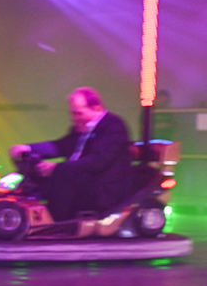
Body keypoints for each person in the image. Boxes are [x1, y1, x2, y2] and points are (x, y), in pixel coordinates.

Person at [9, 87, 131, 221]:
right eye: (73, 114)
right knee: (36, 174)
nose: (74, 118)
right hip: (80, 180)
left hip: (102, 187)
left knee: (62, 178)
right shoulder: (80, 128)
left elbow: (98, 161)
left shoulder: (113, 126)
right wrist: (28, 148)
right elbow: (61, 146)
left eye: (79, 113)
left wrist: (57, 168)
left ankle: (56, 221)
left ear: (96, 108)